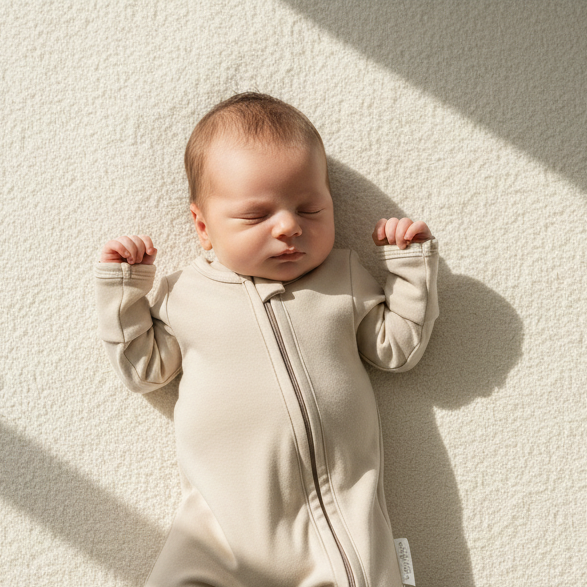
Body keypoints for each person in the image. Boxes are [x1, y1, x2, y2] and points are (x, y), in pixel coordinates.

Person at [94, 92, 439, 587]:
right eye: (257, 216)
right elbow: (143, 370)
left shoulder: (342, 276)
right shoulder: (183, 294)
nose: (289, 227)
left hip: (339, 529)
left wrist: (409, 270)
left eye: (311, 208)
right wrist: (124, 289)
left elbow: (397, 350)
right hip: (220, 531)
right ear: (203, 226)